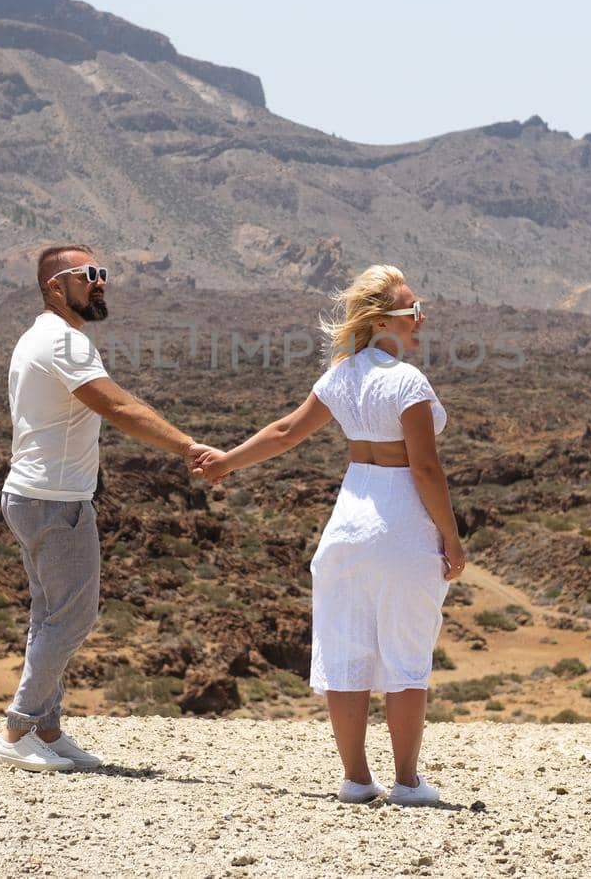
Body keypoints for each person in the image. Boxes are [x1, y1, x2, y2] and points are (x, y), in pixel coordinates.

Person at [195, 265, 466, 805]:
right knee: (405, 654)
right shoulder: (407, 381)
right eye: (413, 312)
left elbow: (285, 432)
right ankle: (408, 782)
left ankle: (355, 780)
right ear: (383, 321)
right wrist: (452, 539)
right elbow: (425, 471)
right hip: (400, 526)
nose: (422, 319)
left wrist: (227, 462)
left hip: (346, 524)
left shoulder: (342, 374)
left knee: (347, 653)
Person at [0, 243, 216, 772]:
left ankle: (46, 728)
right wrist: (188, 447)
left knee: (50, 615)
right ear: (55, 286)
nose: (100, 282)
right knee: (73, 618)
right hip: (54, 501)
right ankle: (18, 728)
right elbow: (118, 406)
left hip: (32, 495)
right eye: (88, 274)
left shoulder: (40, 336)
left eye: (102, 273)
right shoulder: (63, 342)